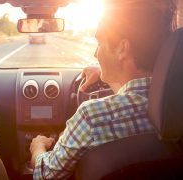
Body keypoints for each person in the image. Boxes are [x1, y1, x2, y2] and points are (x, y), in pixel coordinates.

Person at [29, 0, 177, 179]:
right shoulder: (175, 107)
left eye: (99, 43)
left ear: (122, 49)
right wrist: (106, 73)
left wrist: (38, 147)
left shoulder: (92, 117)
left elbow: (45, 175)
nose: (95, 53)